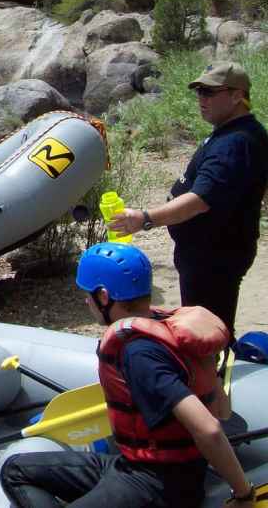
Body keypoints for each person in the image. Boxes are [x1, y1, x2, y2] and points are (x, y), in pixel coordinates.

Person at [0, 242, 255, 508]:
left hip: (161, 485)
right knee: (16, 470)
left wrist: (243, 494)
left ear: (103, 296)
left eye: (88, 294)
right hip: (131, 465)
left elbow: (209, 428)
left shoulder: (139, 354)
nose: (86, 301)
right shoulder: (158, 324)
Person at [107, 61, 267, 335]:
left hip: (213, 255)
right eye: (199, 92)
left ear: (237, 96)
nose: (201, 99)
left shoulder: (235, 142)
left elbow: (199, 199)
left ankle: (211, 374)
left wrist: (145, 218)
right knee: (210, 326)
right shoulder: (241, 133)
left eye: (209, 92)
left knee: (206, 334)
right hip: (214, 250)